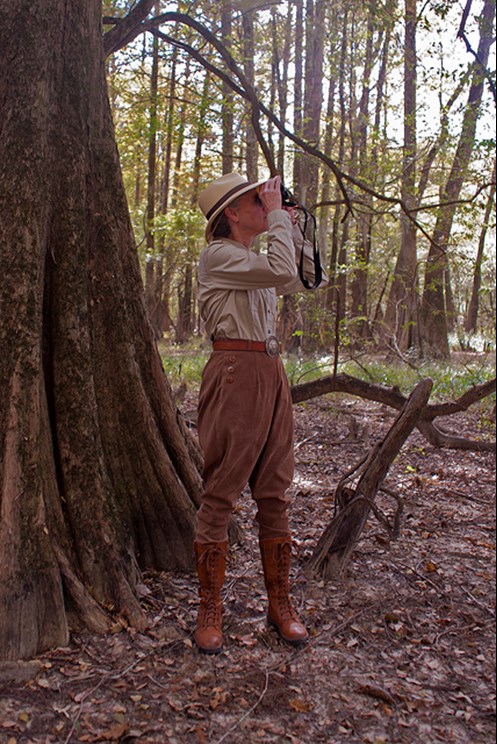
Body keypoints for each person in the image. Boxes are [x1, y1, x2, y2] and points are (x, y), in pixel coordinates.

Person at [194, 172, 328, 654]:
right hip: (234, 371)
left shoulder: (254, 260)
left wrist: (294, 225)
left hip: (271, 372)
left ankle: (280, 604)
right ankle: (209, 609)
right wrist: (277, 221)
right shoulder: (219, 256)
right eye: (256, 199)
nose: (264, 203)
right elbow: (277, 270)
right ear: (232, 213)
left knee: (275, 489)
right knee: (222, 490)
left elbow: (298, 276)